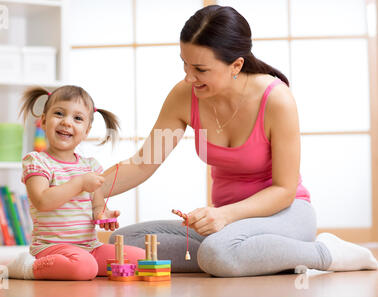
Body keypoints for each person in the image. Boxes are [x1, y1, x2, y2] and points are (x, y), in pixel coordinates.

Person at [102, 5, 378, 277]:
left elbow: (284, 189)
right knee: (123, 244)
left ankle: (324, 253)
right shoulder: (185, 96)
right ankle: (253, 256)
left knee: (217, 253)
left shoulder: (275, 99)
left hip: (284, 214)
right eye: (184, 63)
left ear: (236, 65)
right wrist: (91, 190)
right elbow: (143, 163)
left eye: (200, 68)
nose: (188, 76)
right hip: (225, 225)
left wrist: (226, 216)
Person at [7, 85, 145, 280]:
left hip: (90, 248)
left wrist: (103, 215)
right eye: (59, 113)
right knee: (83, 266)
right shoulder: (37, 162)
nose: (66, 122)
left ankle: (83, 266)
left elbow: (97, 206)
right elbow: (42, 201)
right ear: (44, 121)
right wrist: (79, 183)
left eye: (77, 118)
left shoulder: (91, 166)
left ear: (86, 131)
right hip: (51, 248)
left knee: (141, 258)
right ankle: (27, 268)